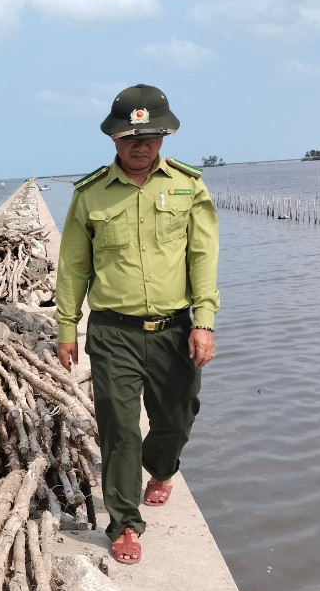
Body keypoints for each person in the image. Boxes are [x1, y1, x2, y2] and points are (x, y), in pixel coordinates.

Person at [55, 84, 219, 565]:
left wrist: (203, 321)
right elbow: (72, 266)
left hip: (174, 329)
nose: (140, 144)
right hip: (113, 332)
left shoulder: (188, 186)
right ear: (114, 139)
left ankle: (162, 467)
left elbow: (203, 256)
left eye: (150, 135)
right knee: (120, 428)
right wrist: (67, 327)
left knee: (178, 415)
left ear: (164, 136)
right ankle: (125, 522)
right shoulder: (90, 195)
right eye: (130, 136)